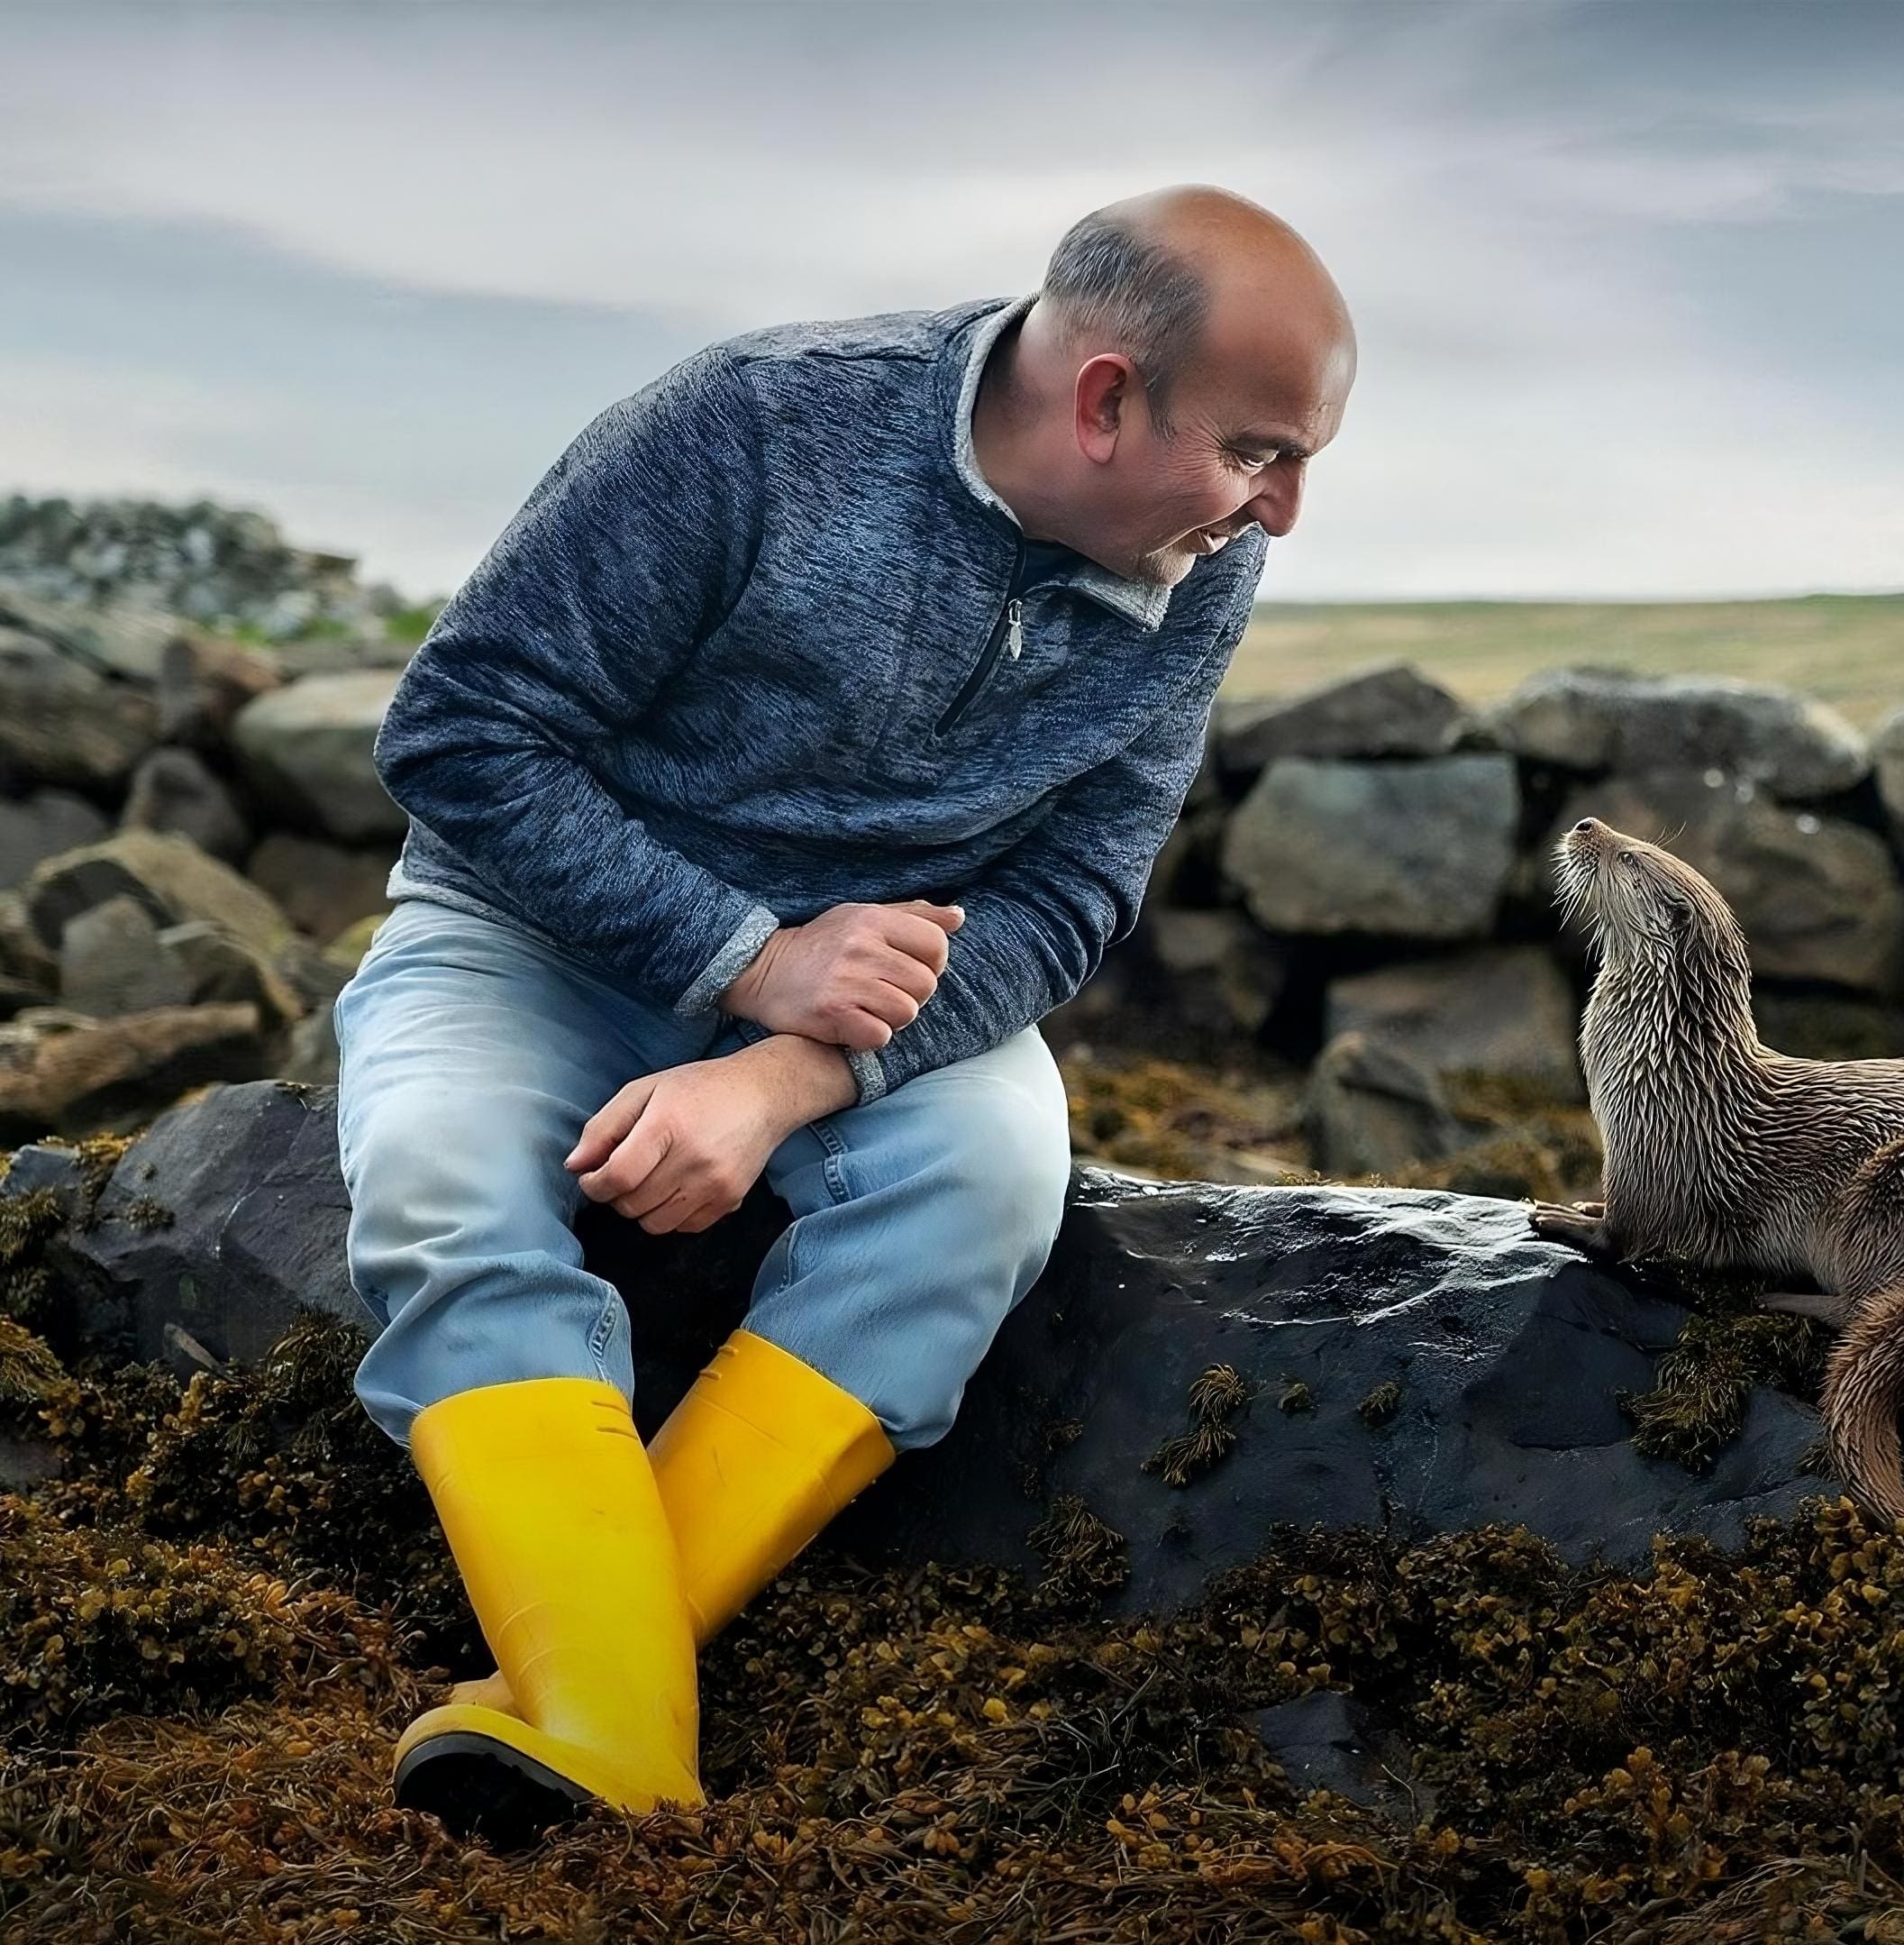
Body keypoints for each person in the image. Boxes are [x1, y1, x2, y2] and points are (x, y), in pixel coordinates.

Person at [332, 186, 1354, 1841]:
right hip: (525, 940)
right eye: (1257, 451)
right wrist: (744, 956)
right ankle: (630, 1736)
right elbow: (459, 734)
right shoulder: (746, 428)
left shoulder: (1194, 560)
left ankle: (590, 1694)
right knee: (442, 1179)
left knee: (994, 1185)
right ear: (1104, 399)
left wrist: (794, 1071)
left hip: (882, 1000)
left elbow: (1077, 897)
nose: (1284, 511)